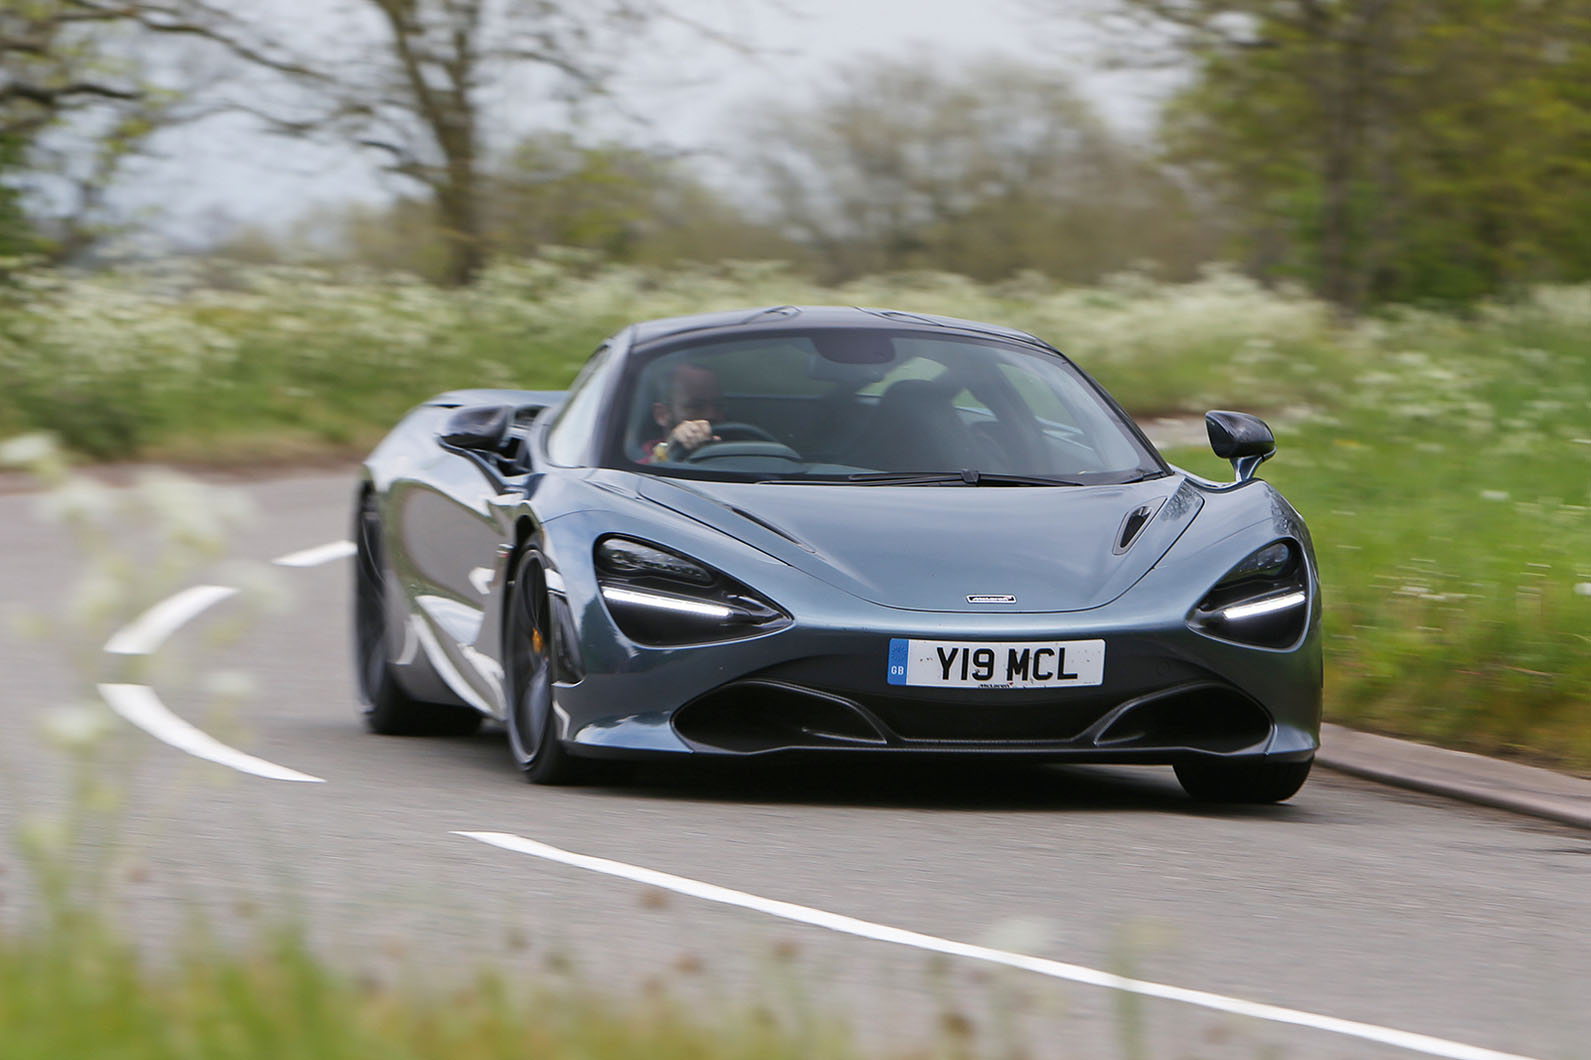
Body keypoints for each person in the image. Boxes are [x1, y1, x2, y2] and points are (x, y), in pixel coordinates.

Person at [641, 363, 725, 463]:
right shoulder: (640, 468)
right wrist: (668, 452)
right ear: (662, 415)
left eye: (718, 405)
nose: (711, 415)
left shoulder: (737, 449)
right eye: (695, 406)